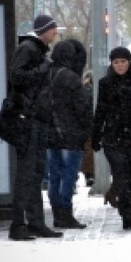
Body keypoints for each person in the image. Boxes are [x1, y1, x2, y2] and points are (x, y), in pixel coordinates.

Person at [7, 14, 63, 241]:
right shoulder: (29, 49)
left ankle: (36, 223)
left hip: (38, 119)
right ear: (43, 30)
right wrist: (42, 68)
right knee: (26, 173)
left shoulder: (39, 51)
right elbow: (16, 77)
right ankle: (18, 224)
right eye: (53, 29)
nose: (55, 33)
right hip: (27, 119)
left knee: (36, 172)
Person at [92, 47, 131, 230]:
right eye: (116, 62)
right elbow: (101, 110)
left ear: (129, 62)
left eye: (123, 62)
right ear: (111, 64)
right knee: (120, 176)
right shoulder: (106, 83)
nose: (120, 66)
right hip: (114, 137)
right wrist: (96, 134)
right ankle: (125, 213)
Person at [45, 38, 93, 229]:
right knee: (69, 175)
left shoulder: (46, 73)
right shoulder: (71, 78)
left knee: (54, 174)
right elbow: (82, 108)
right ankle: (65, 212)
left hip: (50, 132)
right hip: (71, 134)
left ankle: (56, 211)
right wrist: (87, 130)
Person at [80, 71, 95, 187]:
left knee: (87, 151)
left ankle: (89, 174)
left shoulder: (83, 90)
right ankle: (91, 174)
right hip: (93, 124)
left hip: (86, 125)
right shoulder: (93, 91)